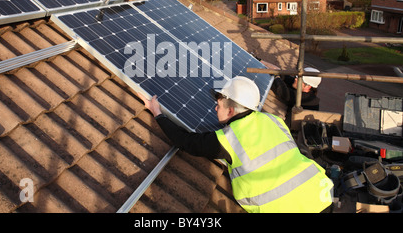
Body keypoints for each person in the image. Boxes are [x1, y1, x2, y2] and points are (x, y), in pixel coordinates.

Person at [138, 76, 333, 213]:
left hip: (283, 209)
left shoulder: (228, 138)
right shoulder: (273, 119)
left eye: (219, 104)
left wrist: (158, 113)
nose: (215, 107)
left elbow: (185, 141)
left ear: (231, 111)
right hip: (321, 194)